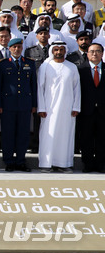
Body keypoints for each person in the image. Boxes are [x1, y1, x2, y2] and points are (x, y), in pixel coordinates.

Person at [37, 41, 80, 173]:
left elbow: (77, 88)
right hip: (49, 109)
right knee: (48, 135)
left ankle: (63, 163)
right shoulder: (45, 66)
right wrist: (41, 108)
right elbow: (40, 88)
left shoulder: (72, 67)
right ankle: (46, 163)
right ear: (52, 51)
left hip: (67, 109)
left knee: (65, 135)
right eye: (56, 49)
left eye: (61, 49)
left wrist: (76, 107)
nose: (58, 52)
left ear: (65, 51)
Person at [0, 37, 37, 172]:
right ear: (9, 49)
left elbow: (33, 85)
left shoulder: (29, 63)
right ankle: (8, 161)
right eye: (14, 47)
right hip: (8, 105)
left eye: (19, 47)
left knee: (23, 134)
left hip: (25, 104)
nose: (17, 49)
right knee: (8, 134)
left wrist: (34, 104)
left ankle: (20, 161)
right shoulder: (2, 64)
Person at [77, 43, 105, 172]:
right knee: (86, 139)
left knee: (102, 139)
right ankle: (87, 164)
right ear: (87, 54)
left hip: (103, 110)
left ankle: (101, 165)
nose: (95, 54)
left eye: (98, 51)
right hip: (86, 110)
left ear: (102, 53)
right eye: (92, 51)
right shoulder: (80, 70)